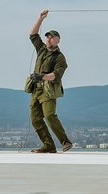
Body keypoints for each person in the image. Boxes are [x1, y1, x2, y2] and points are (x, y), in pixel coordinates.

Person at [27, 9, 73, 153]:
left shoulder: (60, 57)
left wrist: (42, 76)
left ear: (58, 40)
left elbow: (56, 76)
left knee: (49, 115)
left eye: (52, 37)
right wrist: (40, 18)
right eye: (47, 37)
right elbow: (33, 34)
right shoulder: (41, 49)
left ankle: (65, 142)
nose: (48, 39)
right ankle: (48, 145)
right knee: (35, 119)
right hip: (36, 90)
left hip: (48, 91)